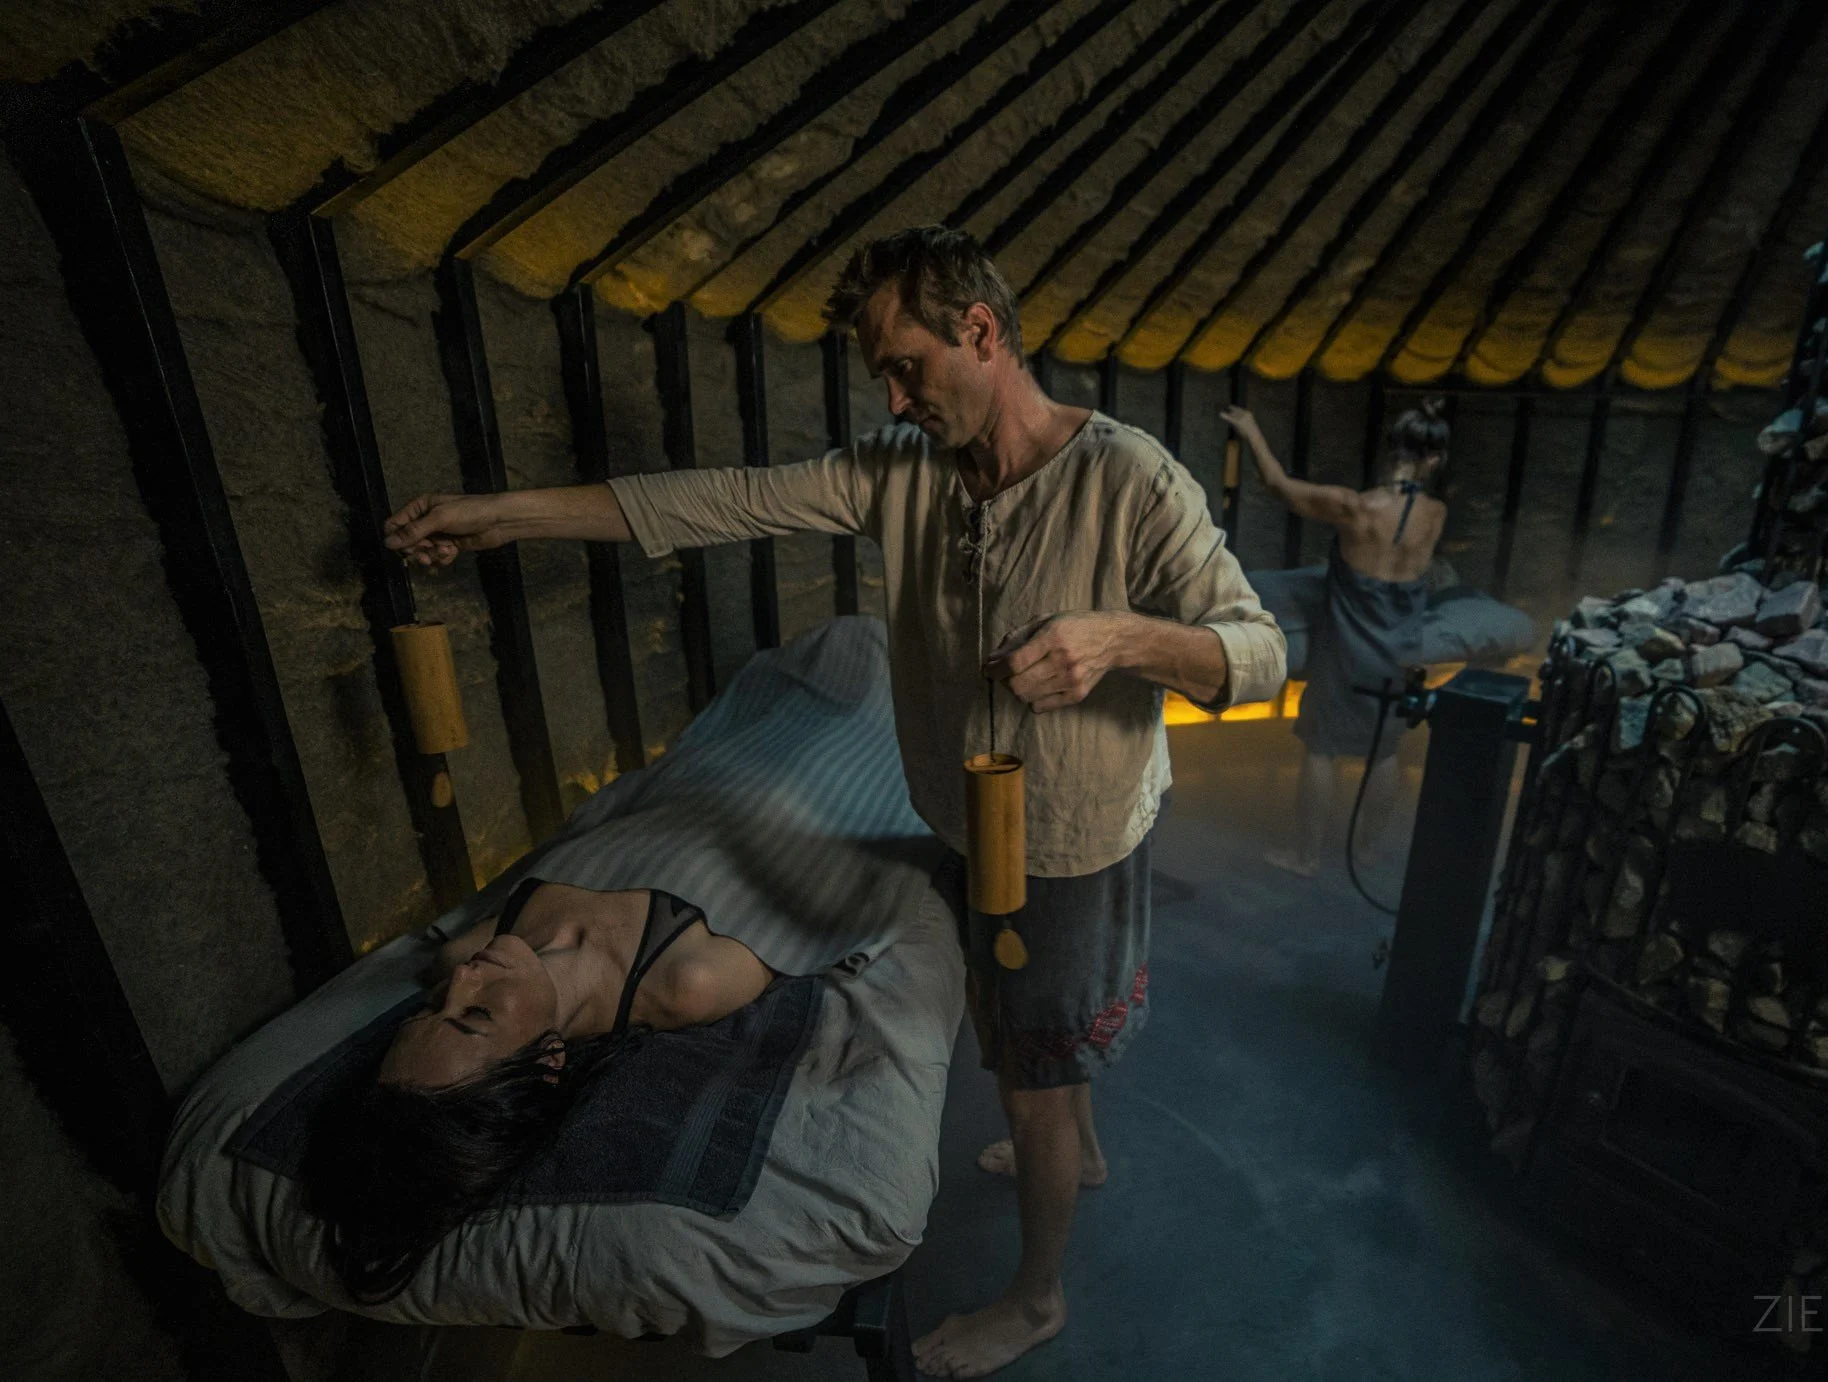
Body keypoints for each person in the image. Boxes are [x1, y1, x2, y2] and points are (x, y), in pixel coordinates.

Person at [382, 225, 1286, 1378]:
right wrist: (499, 515)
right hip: (959, 813)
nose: (896, 398)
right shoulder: (901, 476)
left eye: (908, 365)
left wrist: (1119, 639)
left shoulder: (1127, 477)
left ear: (981, 331)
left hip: (1069, 843)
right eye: (882, 377)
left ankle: (1036, 1293)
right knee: (1023, 1037)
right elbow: (722, 499)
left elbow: (1258, 652)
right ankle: (1076, 1135)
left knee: (1032, 1086)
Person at [302, 877, 778, 1303]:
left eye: (430, 1012)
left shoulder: (459, 955)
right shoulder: (690, 983)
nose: (464, 980)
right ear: (550, 1058)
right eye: (477, 1014)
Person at [1223, 400, 1452, 879]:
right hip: (1400, 651)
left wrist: (1250, 429)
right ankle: (1367, 850)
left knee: (1322, 747)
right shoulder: (1436, 514)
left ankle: (1306, 856)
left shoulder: (1357, 508)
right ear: (1434, 460)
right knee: (1383, 748)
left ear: (1391, 450)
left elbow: (1278, 486)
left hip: (1349, 649)